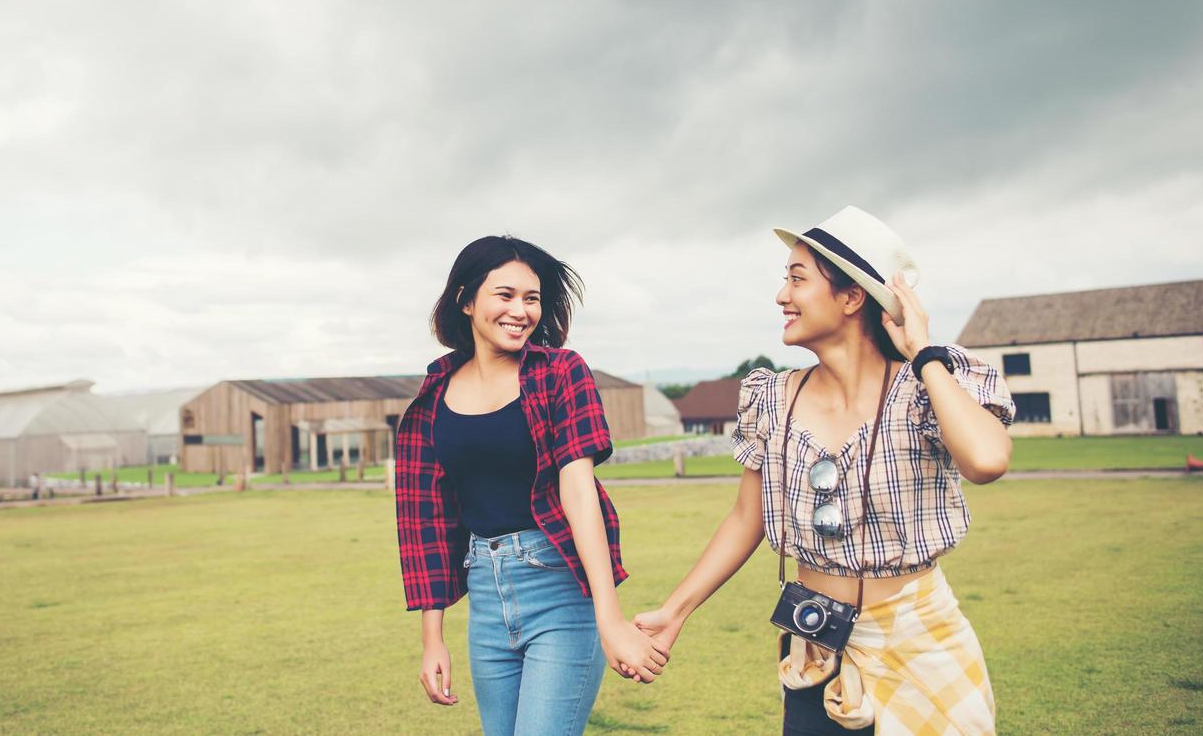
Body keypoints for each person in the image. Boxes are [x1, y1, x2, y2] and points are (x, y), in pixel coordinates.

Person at [633, 206, 1016, 734]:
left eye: (797, 279)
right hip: (816, 645)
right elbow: (747, 518)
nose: (781, 296)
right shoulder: (771, 399)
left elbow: (987, 460)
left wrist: (924, 355)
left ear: (852, 296)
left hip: (921, 640)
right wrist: (674, 611)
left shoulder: (925, 387)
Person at [395, 234, 669, 735]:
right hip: (485, 594)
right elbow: (427, 521)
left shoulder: (560, 373)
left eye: (532, 298)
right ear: (466, 299)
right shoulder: (434, 394)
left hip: (558, 588)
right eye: (505, 295)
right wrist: (432, 638)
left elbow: (579, 491)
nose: (520, 310)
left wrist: (610, 620)